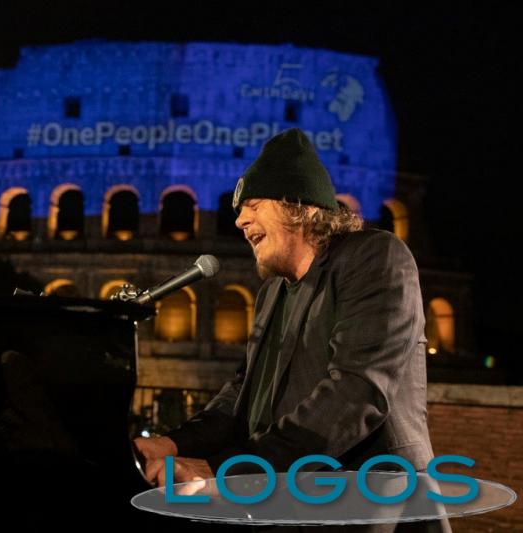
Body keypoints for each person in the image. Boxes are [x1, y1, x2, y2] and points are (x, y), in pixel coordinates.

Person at [134, 128, 448, 531]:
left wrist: (225, 470)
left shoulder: (375, 257)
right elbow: (240, 399)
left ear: (297, 205)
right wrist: (170, 443)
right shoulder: (271, 294)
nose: (240, 219)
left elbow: (356, 393)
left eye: (254, 204)